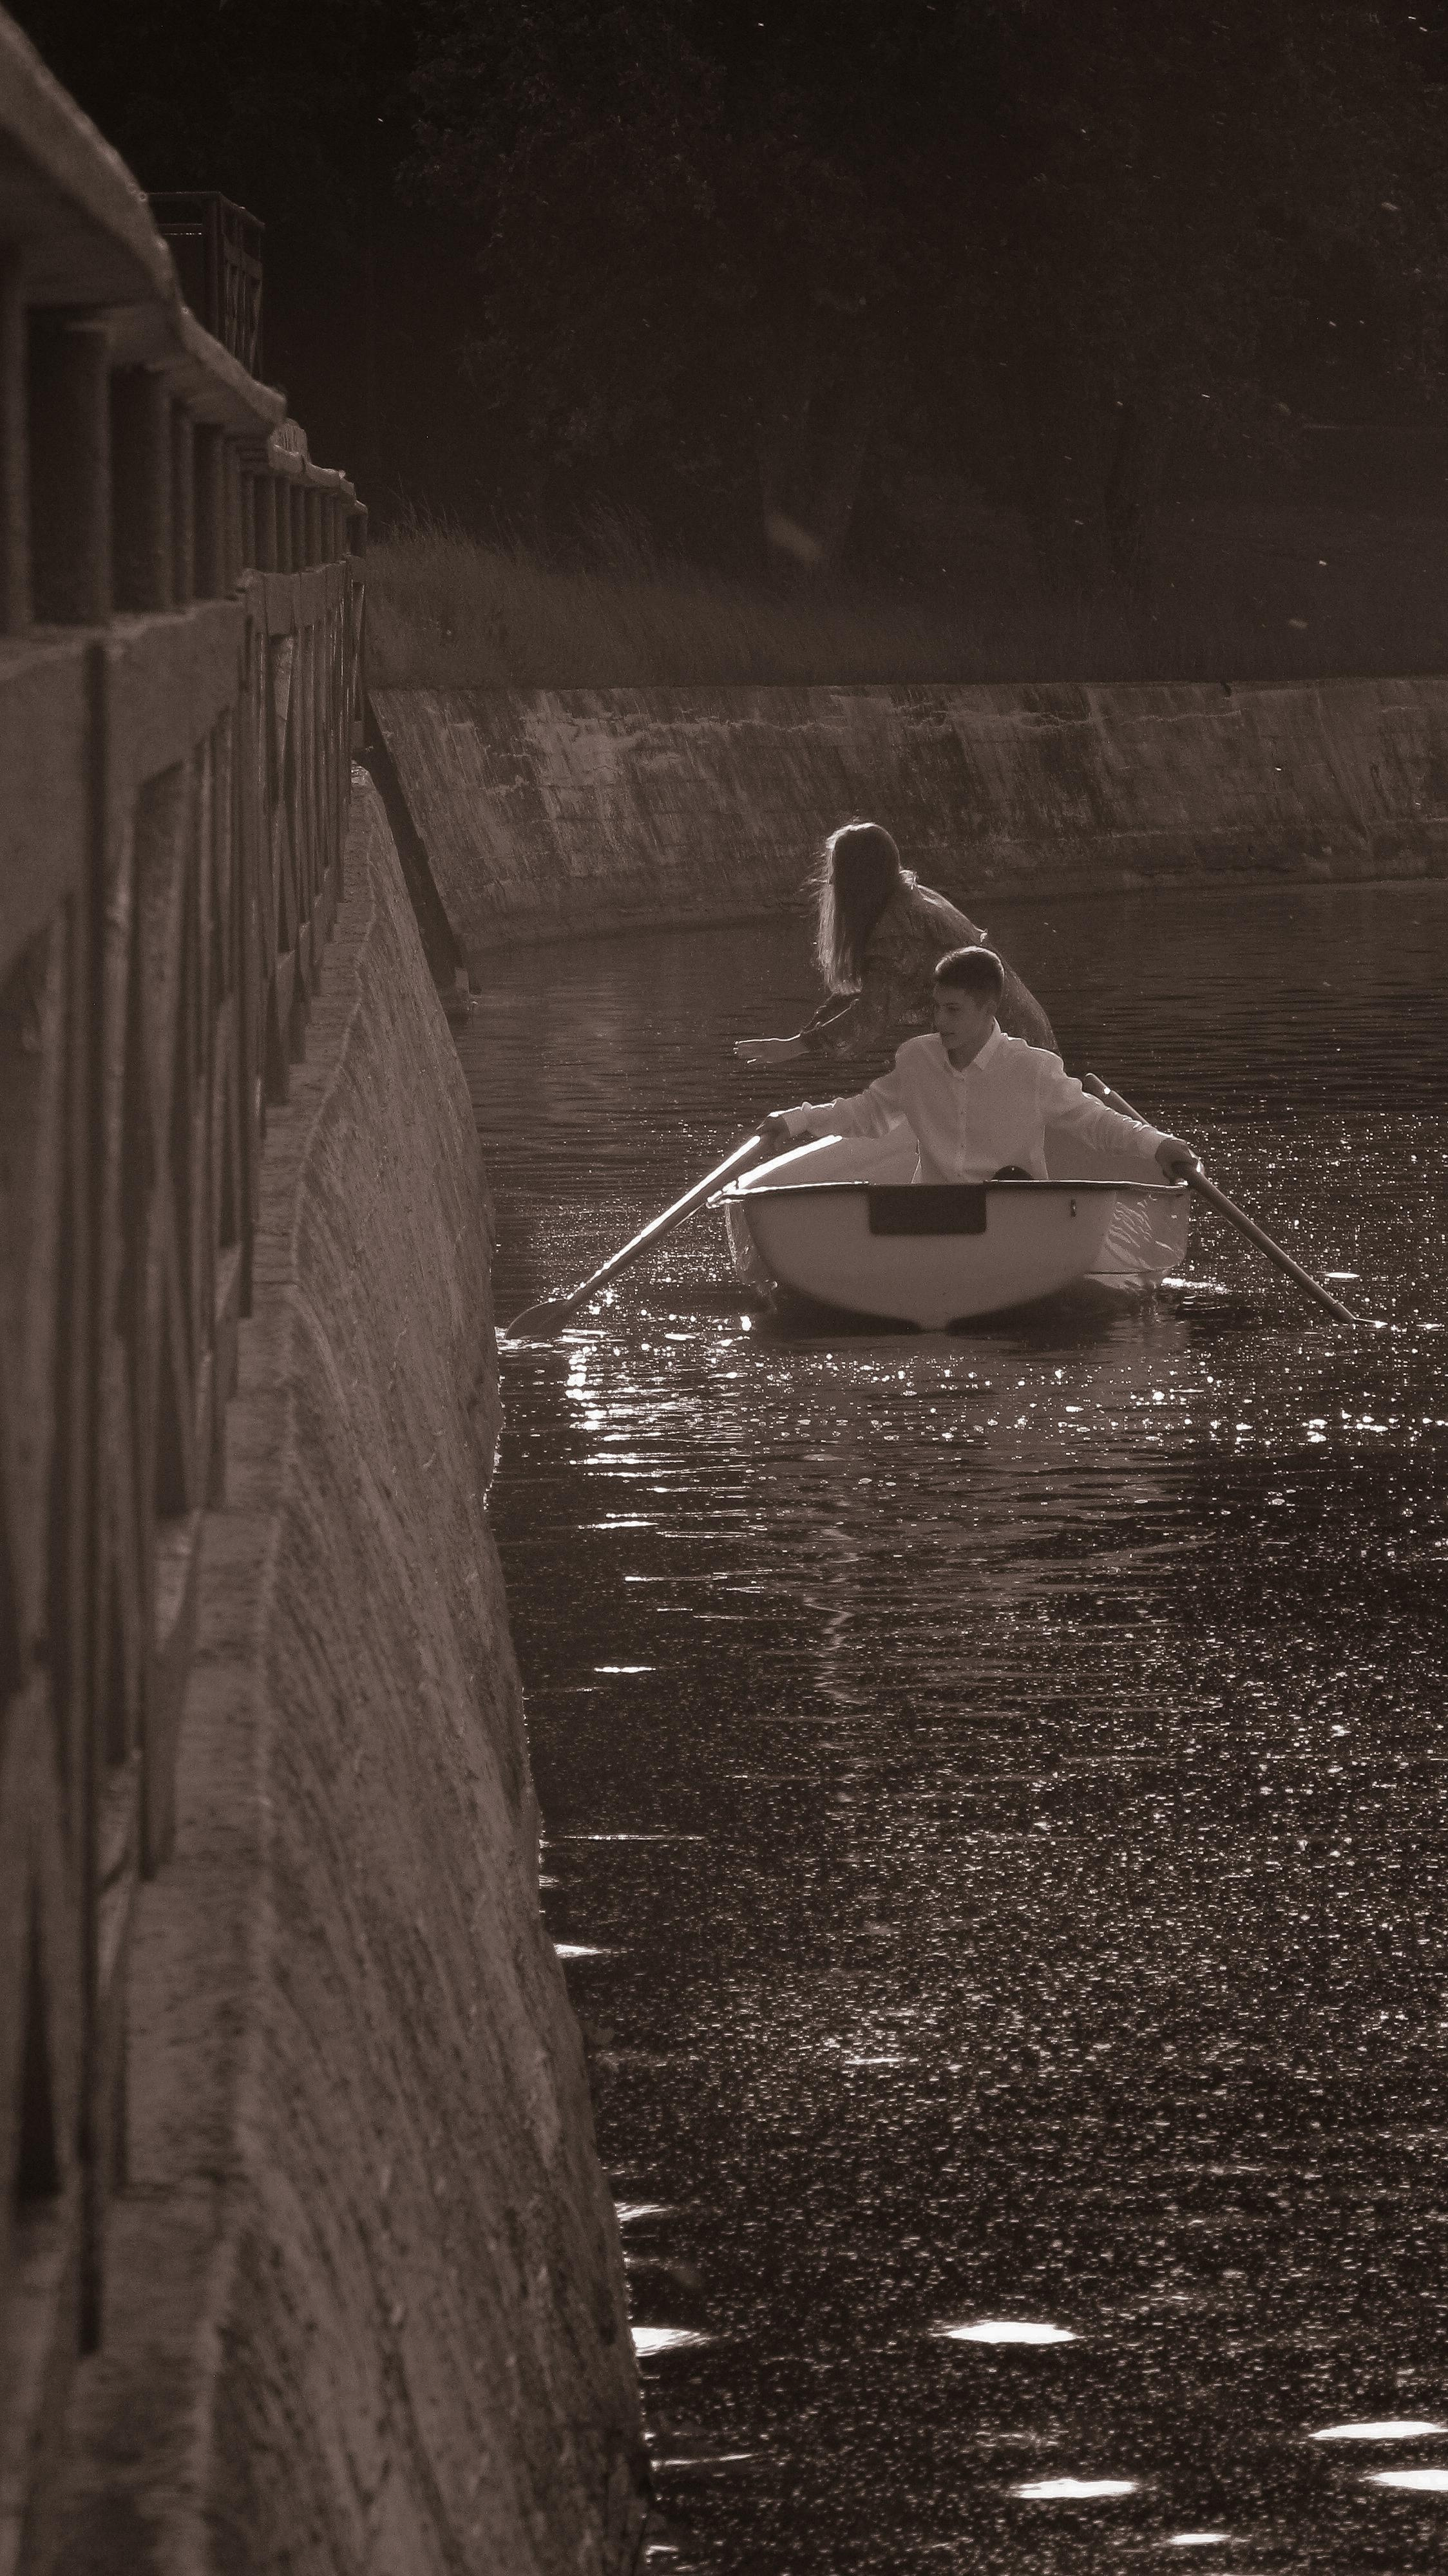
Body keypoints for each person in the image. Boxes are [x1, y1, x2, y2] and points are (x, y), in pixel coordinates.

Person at [758, 945, 1195, 1184]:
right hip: (934, 1218)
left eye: (953, 1011)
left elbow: (1098, 1123)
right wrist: (795, 1121)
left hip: (1015, 1219)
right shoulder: (916, 1060)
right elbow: (865, 1113)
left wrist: (1158, 1145)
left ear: (988, 1011)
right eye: (936, 1008)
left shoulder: (1033, 1069)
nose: (939, 1021)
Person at [734, 820, 1055, 1068]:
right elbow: (866, 990)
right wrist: (803, 1036)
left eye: (838, 874)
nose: (831, 883)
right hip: (1007, 1039)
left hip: (1010, 1051)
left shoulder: (900, 930)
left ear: (858, 881)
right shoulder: (910, 900)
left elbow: (871, 1014)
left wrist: (793, 1048)